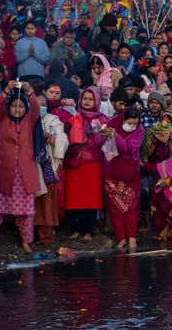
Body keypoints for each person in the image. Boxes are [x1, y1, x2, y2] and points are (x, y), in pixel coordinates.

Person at [0, 81, 40, 252]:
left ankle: (26, 242)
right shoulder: (2, 119)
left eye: (21, 106)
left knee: (27, 213)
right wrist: (7, 91)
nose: (17, 109)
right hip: (4, 173)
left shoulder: (29, 120)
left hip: (24, 175)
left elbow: (35, 107)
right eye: (14, 106)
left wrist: (30, 92)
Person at [64, 88, 108, 241]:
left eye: (90, 98)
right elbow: (66, 135)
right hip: (75, 161)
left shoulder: (102, 119)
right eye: (85, 98)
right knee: (73, 197)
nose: (87, 101)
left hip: (93, 163)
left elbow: (103, 139)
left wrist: (87, 141)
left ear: (96, 101)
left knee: (91, 198)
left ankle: (88, 230)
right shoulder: (74, 117)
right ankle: (75, 229)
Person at [103, 107, 144, 250]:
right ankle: (121, 238)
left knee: (132, 205)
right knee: (115, 206)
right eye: (129, 122)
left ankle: (132, 238)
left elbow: (128, 149)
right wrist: (104, 133)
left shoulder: (139, 130)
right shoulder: (113, 122)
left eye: (135, 123)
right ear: (123, 119)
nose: (132, 126)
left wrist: (115, 136)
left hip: (130, 171)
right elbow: (99, 139)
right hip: (111, 169)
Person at [34, 92, 68, 244]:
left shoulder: (53, 120)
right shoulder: (27, 120)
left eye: (43, 104)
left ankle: (47, 237)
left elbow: (62, 138)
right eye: (37, 104)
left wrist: (49, 137)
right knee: (33, 203)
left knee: (48, 204)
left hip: (47, 166)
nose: (41, 107)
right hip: (32, 166)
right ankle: (32, 235)